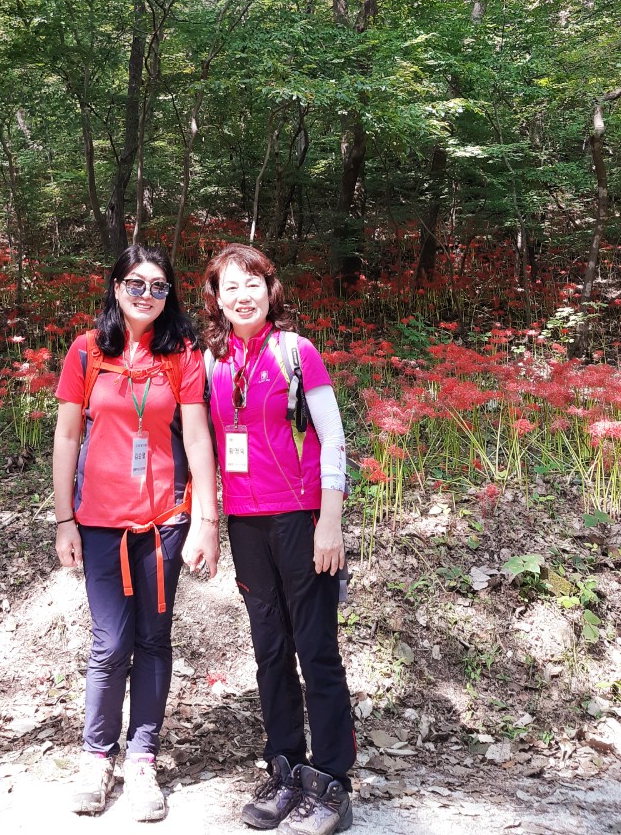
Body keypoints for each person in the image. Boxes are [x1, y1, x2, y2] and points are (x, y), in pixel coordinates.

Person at [54, 244, 219, 822]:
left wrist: (207, 522)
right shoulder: (86, 351)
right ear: (116, 287)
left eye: (158, 286)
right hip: (100, 523)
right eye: (136, 284)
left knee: (153, 640)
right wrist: (64, 520)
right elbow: (67, 437)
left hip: (163, 522)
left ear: (169, 294)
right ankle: (96, 757)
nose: (147, 294)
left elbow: (197, 438)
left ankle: (143, 759)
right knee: (110, 643)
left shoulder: (182, 354)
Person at [202, 244, 356, 835]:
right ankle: (285, 767)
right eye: (230, 287)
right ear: (217, 298)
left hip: (300, 517)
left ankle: (333, 782)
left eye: (253, 284)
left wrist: (330, 521)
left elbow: (333, 437)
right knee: (269, 649)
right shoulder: (213, 360)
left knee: (316, 649)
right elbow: (204, 443)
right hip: (245, 521)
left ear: (271, 291)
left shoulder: (297, 351)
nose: (243, 296)